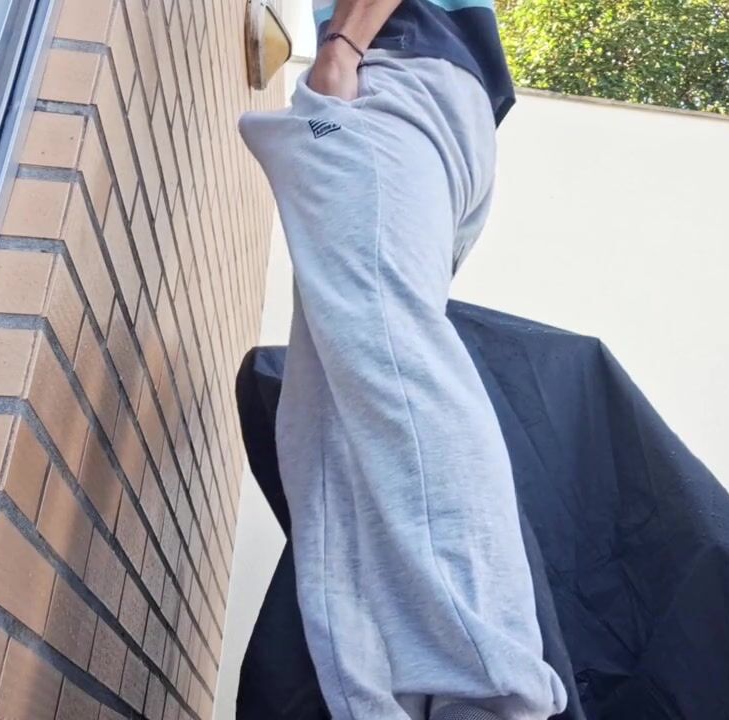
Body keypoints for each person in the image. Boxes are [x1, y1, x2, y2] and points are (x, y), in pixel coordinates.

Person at [238, 1, 568, 719]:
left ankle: (490, 697)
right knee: (327, 437)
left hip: (394, 67)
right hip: (425, 92)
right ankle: (374, 702)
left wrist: (342, 45)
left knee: (395, 373)